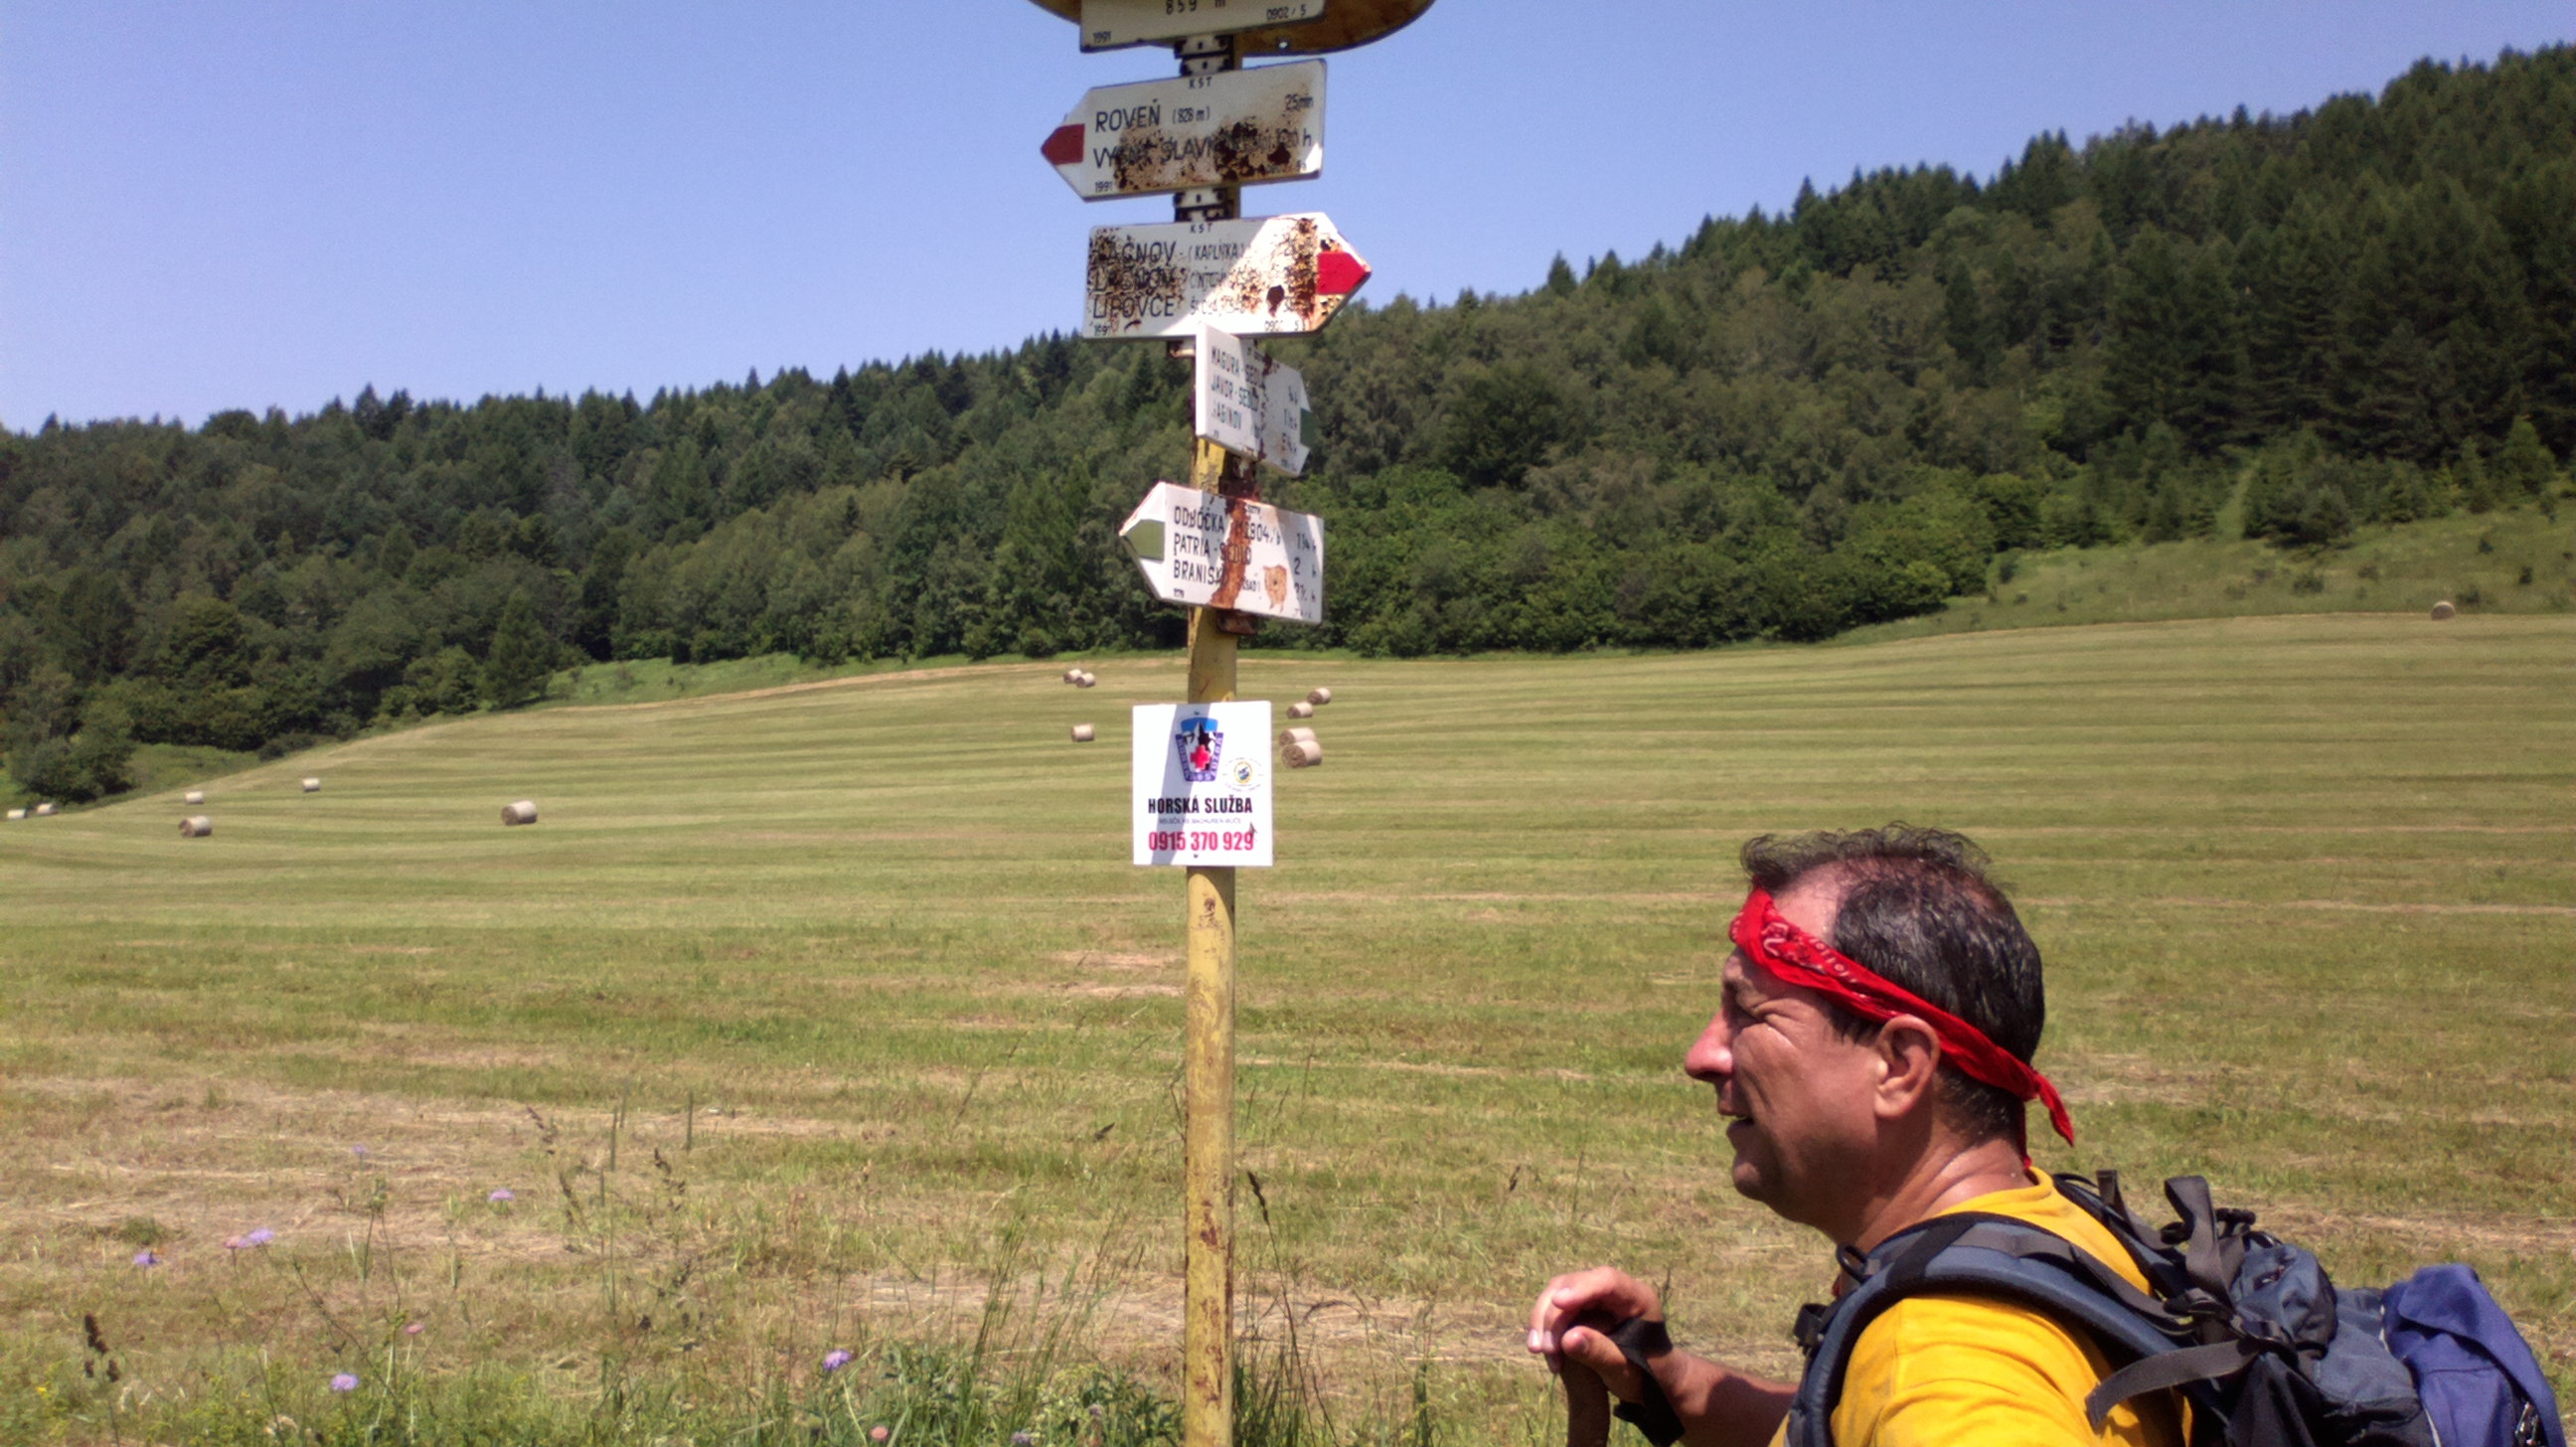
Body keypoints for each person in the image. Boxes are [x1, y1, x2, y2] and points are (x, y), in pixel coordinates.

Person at [1527, 826, 2182, 1447]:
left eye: (1749, 1013)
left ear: (1898, 1065)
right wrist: (1672, 1382)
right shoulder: (2044, 1232)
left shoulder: (1945, 1370)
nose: (1701, 1056)